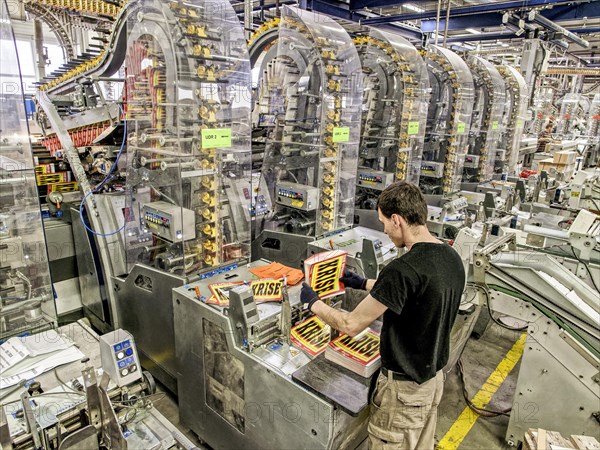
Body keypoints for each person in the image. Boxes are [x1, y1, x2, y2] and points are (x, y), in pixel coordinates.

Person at [300, 181, 465, 450]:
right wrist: (362, 282)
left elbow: (350, 324)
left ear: (397, 220)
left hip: (402, 394)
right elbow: (418, 290)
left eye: (384, 222)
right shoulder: (449, 256)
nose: (385, 230)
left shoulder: (403, 268)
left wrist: (313, 304)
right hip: (432, 383)